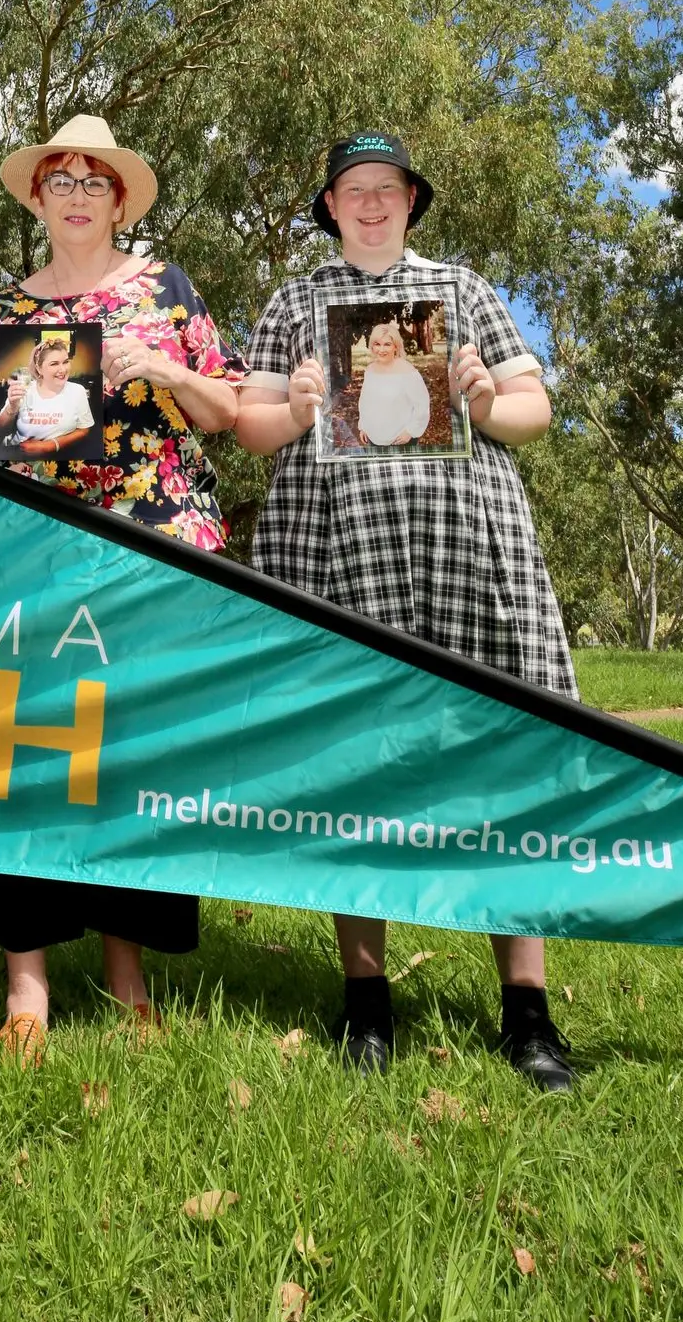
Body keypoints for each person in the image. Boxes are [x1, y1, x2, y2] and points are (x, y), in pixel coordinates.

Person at [234, 131, 577, 1092]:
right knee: (357, 764)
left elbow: (533, 411)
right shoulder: (293, 301)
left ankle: (529, 1014)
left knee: (503, 760)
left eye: (389, 188)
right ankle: (366, 1006)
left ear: (411, 201)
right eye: (354, 189)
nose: (373, 203)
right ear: (331, 205)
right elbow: (255, 428)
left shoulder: (463, 290)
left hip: (470, 551)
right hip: (336, 551)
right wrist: (299, 409)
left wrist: (481, 395)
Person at [0, 114, 246, 1061]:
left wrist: (160, 367)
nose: (75, 192)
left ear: (119, 197)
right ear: (38, 198)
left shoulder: (167, 288)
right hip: (35, 553)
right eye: (59, 179)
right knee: (23, 754)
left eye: (93, 179)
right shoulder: (1, 313)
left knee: (129, 758)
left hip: (156, 546)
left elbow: (227, 411)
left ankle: (128, 979)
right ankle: (24, 988)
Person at [0, 332, 97, 458]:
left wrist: (50, 445)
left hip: (57, 458)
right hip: (14, 453)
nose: (63, 370)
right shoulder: (25, 389)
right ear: (39, 368)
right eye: (54, 364)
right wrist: (11, 408)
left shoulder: (78, 391)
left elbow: (84, 429)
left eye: (65, 362)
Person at [357, 319, 431, 447]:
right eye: (377, 344)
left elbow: (422, 405)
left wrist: (410, 431)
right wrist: (363, 426)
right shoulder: (370, 370)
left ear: (395, 346)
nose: (381, 349)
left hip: (400, 439)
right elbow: (365, 402)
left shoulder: (407, 371)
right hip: (374, 437)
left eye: (387, 344)